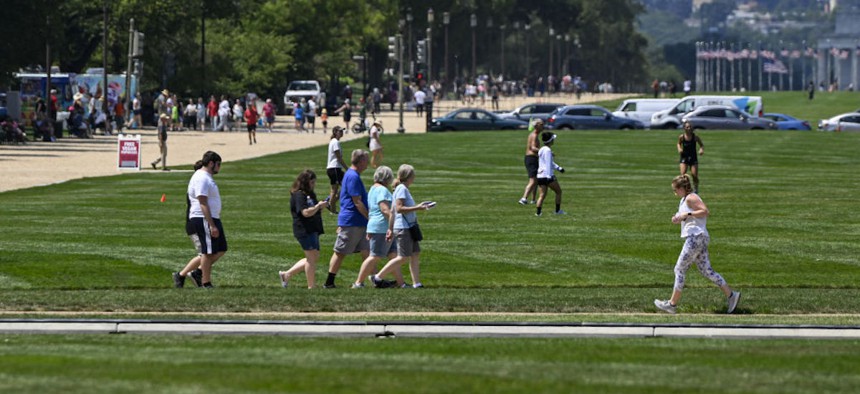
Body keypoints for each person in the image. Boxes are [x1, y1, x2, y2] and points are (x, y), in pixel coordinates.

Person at [654, 174, 741, 314]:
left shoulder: (691, 197)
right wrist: (677, 218)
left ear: (682, 188)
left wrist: (687, 215)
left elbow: (705, 211)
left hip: (695, 237)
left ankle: (672, 304)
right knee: (707, 271)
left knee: (679, 269)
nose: (674, 193)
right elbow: (686, 215)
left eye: (675, 190)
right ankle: (731, 295)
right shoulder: (684, 200)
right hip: (699, 237)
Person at [370, 164, 431, 288]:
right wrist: (419, 207)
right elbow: (399, 208)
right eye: (413, 175)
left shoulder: (400, 188)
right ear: (409, 177)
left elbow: (392, 211)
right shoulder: (402, 188)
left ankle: (417, 283)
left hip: (407, 227)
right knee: (403, 257)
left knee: (415, 253)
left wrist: (390, 229)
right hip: (404, 228)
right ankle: (377, 277)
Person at [173, 151, 226, 289]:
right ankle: (205, 282)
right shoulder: (201, 178)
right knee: (207, 253)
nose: (219, 167)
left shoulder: (206, 177)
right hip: (203, 218)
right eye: (218, 164)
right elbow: (202, 202)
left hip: (212, 217)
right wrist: (211, 225)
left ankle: (194, 273)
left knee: (221, 249)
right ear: (211, 163)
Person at [323, 149, 372, 289]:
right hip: (352, 221)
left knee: (367, 252)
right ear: (361, 161)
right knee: (340, 252)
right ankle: (329, 282)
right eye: (366, 161)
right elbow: (357, 202)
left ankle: (373, 280)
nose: (367, 165)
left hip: (358, 222)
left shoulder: (352, 175)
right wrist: (370, 217)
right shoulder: (353, 176)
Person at [352, 166, 404, 288]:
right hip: (382, 227)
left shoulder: (373, 189)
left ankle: (401, 283)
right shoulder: (383, 190)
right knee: (375, 256)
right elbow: (385, 210)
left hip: (377, 226)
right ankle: (358, 283)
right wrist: (392, 226)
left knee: (393, 256)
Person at [279, 169, 329, 289]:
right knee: (311, 259)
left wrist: (322, 206)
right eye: (312, 182)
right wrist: (318, 206)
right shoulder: (299, 195)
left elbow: (314, 210)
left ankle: (286, 275)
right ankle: (311, 287)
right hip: (303, 230)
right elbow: (305, 212)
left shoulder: (311, 194)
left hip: (313, 229)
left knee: (314, 257)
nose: (314, 185)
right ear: (305, 182)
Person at [177, 160, 207, 288]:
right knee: (205, 254)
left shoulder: (197, 184)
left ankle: (199, 275)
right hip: (194, 224)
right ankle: (182, 275)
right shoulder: (197, 186)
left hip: (198, 223)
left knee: (208, 253)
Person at [535, 132, 565, 216]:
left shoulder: (541, 149)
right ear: (551, 140)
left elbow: (545, 162)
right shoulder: (548, 150)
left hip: (540, 175)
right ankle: (557, 211)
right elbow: (548, 163)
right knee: (558, 192)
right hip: (547, 176)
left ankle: (538, 213)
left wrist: (559, 168)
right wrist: (549, 176)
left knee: (542, 195)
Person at [519, 119, 543, 205]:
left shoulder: (535, 134)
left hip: (533, 158)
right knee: (533, 180)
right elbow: (532, 148)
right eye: (541, 124)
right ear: (537, 126)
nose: (543, 126)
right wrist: (543, 151)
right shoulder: (534, 135)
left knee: (536, 180)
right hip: (531, 158)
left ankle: (533, 199)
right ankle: (523, 198)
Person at [326, 126, 348, 213]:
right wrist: (347, 168)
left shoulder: (334, 142)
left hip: (333, 168)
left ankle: (331, 204)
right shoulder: (335, 142)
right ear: (335, 132)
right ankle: (331, 205)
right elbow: (338, 157)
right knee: (337, 189)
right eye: (340, 131)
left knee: (337, 188)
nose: (342, 133)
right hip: (335, 168)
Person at [677, 121, 704, 193]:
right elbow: (678, 144)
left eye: (690, 127)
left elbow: (701, 145)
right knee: (683, 175)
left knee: (694, 175)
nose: (689, 128)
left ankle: (696, 187)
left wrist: (701, 150)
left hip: (693, 157)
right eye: (687, 127)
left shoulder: (695, 137)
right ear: (684, 128)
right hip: (684, 157)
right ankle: (687, 188)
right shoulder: (682, 137)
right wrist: (679, 149)